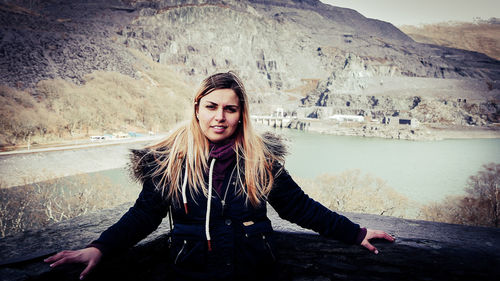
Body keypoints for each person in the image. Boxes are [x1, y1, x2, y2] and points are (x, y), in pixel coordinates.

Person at [45, 71, 395, 280]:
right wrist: (99, 248)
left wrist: (356, 232)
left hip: (255, 272)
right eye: (211, 107)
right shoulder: (170, 161)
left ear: (242, 114)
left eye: (230, 108)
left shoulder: (261, 160)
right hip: (192, 273)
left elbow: (299, 208)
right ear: (196, 109)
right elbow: (143, 215)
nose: (220, 117)